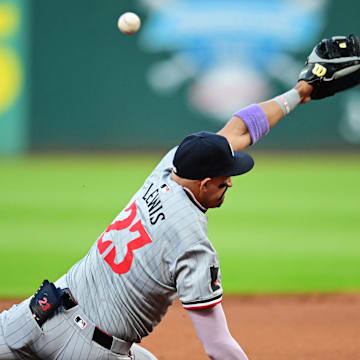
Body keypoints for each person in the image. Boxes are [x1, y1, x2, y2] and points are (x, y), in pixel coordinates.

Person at [0, 78, 314, 360]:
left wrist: (299, 93)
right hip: (90, 351)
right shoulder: (192, 243)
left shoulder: (171, 167)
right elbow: (218, 347)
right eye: (224, 179)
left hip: (37, 315)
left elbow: (239, 130)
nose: (230, 182)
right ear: (204, 185)